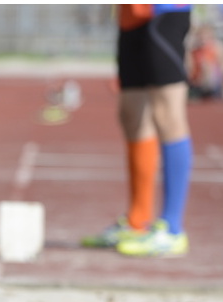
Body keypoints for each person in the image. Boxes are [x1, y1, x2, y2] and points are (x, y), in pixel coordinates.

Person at [83, 3, 193, 257]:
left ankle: (172, 229)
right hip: (131, 15)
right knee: (131, 114)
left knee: (168, 112)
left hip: (165, 10)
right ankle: (138, 221)